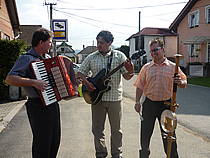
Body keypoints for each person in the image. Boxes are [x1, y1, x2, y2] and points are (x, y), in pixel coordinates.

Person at [77, 30, 134, 158]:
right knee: (97, 129)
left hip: (115, 99)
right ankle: (101, 154)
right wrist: (87, 83)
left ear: (110, 43)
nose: (98, 45)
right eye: (98, 42)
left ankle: (117, 154)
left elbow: (127, 77)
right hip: (96, 99)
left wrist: (130, 71)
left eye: (101, 42)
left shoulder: (120, 56)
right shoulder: (91, 57)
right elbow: (80, 73)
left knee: (116, 130)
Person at [6, 28, 61, 158]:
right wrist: (34, 82)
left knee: (54, 141)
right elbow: (10, 78)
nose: (51, 45)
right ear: (41, 43)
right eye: (49, 42)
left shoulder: (48, 59)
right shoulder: (26, 58)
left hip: (52, 104)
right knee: (42, 144)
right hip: (37, 106)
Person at [134, 39, 187, 158]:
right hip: (149, 105)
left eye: (156, 50)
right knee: (145, 136)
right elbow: (139, 85)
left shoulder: (174, 67)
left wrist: (180, 82)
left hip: (166, 106)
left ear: (163, 50)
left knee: (169, 136)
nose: (153, 53)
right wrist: (137, 102)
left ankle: (172, 156)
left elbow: (184, 83)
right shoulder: (146, 67)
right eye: (151, 51)